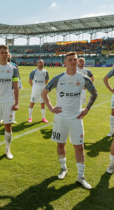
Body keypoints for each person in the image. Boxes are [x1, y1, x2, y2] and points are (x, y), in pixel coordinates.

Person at [41, 52, 98, 189]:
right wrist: (50, 108)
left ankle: (81, 176)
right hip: (60, 118)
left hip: (76, 118)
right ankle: (63, 168)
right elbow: (44, 93)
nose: (73, 62)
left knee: (79, 146)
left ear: (78, 62)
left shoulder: (84, 79)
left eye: (75, 59)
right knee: (60, 144)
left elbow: (94, 93)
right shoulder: (58, 78)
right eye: (70, 60)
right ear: (65, 62)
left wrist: (87, 109)